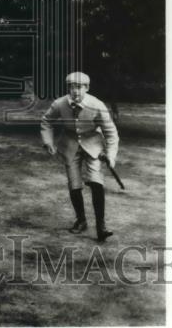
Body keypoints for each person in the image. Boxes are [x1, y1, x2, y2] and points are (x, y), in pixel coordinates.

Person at [40, 71, 120, 242]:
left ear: (87, 88)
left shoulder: (97, 105)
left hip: (93, 144)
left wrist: (111, 157)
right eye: (71, 87)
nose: (75, 91)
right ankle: (81, 220)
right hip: (70, 144)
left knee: (96, 181)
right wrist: (48, 141)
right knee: (74, 183)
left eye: (79, 87)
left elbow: (111, 133)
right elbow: (46, 121)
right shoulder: (60, 104)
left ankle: (101, 226)